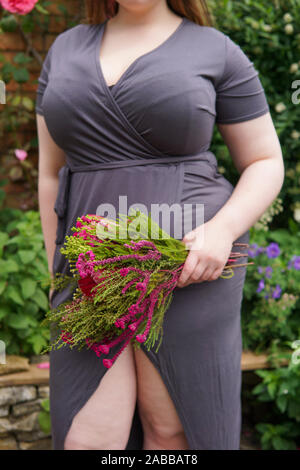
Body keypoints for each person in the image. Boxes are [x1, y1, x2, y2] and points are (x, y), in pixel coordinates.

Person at [36, 0, 284, 450]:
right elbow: (50, 173)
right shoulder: (64, 49)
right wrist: (59, 270)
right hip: (89, 272)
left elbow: (266, 161)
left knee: (172, 433)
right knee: (85, 437)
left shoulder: (216, 51)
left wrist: (223, 230)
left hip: (190, 265)